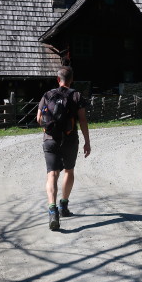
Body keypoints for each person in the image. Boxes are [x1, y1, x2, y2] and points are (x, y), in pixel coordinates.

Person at [37, 66, 91, 231]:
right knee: (69, 170)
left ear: (57, 79)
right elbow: (82, 120)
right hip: (70, 139)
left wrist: (50, 129)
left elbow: (39, 118)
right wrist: (87, 142)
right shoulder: (76, 95)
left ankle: (52, 210)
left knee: (52, 174)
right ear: (72, 79)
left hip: (50, 140)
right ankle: (63, 207)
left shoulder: (48, 95)